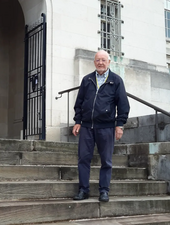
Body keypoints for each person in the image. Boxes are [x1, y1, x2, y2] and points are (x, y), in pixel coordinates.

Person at [72, 50, 129, 202]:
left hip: (106, 127)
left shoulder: (116, 80)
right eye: (98, 60)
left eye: (103, 60)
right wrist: (78, 121)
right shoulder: (87, 80)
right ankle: (83, 190)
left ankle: (104, 190)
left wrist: (120, 125)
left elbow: (123, 105)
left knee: (106, 161)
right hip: (86, 127)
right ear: (94, 62)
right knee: (83, 159)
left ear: (109, 62)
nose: (100, 62)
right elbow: (79, 103)